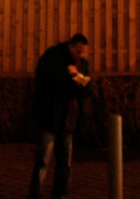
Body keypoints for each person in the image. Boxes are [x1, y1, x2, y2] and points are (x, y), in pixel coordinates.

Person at [28, 34, 93, 199]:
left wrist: (81, 81)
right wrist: (67, 74)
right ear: (70, 46)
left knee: (65, 163)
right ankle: (35, 194)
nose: (81, 55)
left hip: (68, 119)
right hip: (49, 116)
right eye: (78, 51)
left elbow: (86, 91)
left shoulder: (82, 64)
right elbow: (43, 76)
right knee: (43, 160)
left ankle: (60, 194)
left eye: (83, 52)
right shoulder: (53, 56)